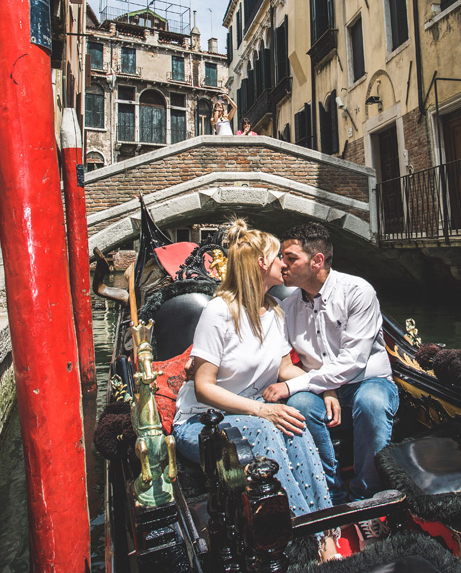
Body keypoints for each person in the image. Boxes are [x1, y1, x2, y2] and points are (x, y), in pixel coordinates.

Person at [171, 220, 335, 518]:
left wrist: (326, 387)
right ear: (261, 263)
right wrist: (262, 410)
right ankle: (301, 533)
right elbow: (203, 388)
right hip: (200, 425)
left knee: (294, 420)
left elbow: (286, 369)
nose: (286, 263)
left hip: (249, 413)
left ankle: (325, 528)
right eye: (279, 257)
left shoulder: (275, 311)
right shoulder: (218, 312)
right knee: (267, 427)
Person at [263, 223, 399, 505]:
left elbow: (352, 362)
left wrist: (293, 385)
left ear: (317, 261)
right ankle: (330, 495)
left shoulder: (357, 292)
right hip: (319, 389)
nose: (282, 265)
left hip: (367, 381)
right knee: (299, 406)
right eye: (281, 258)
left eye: (290, 258)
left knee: (371, 403)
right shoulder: (286, 308)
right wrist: (326, 390)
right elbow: (286, 361)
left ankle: (366, 498)